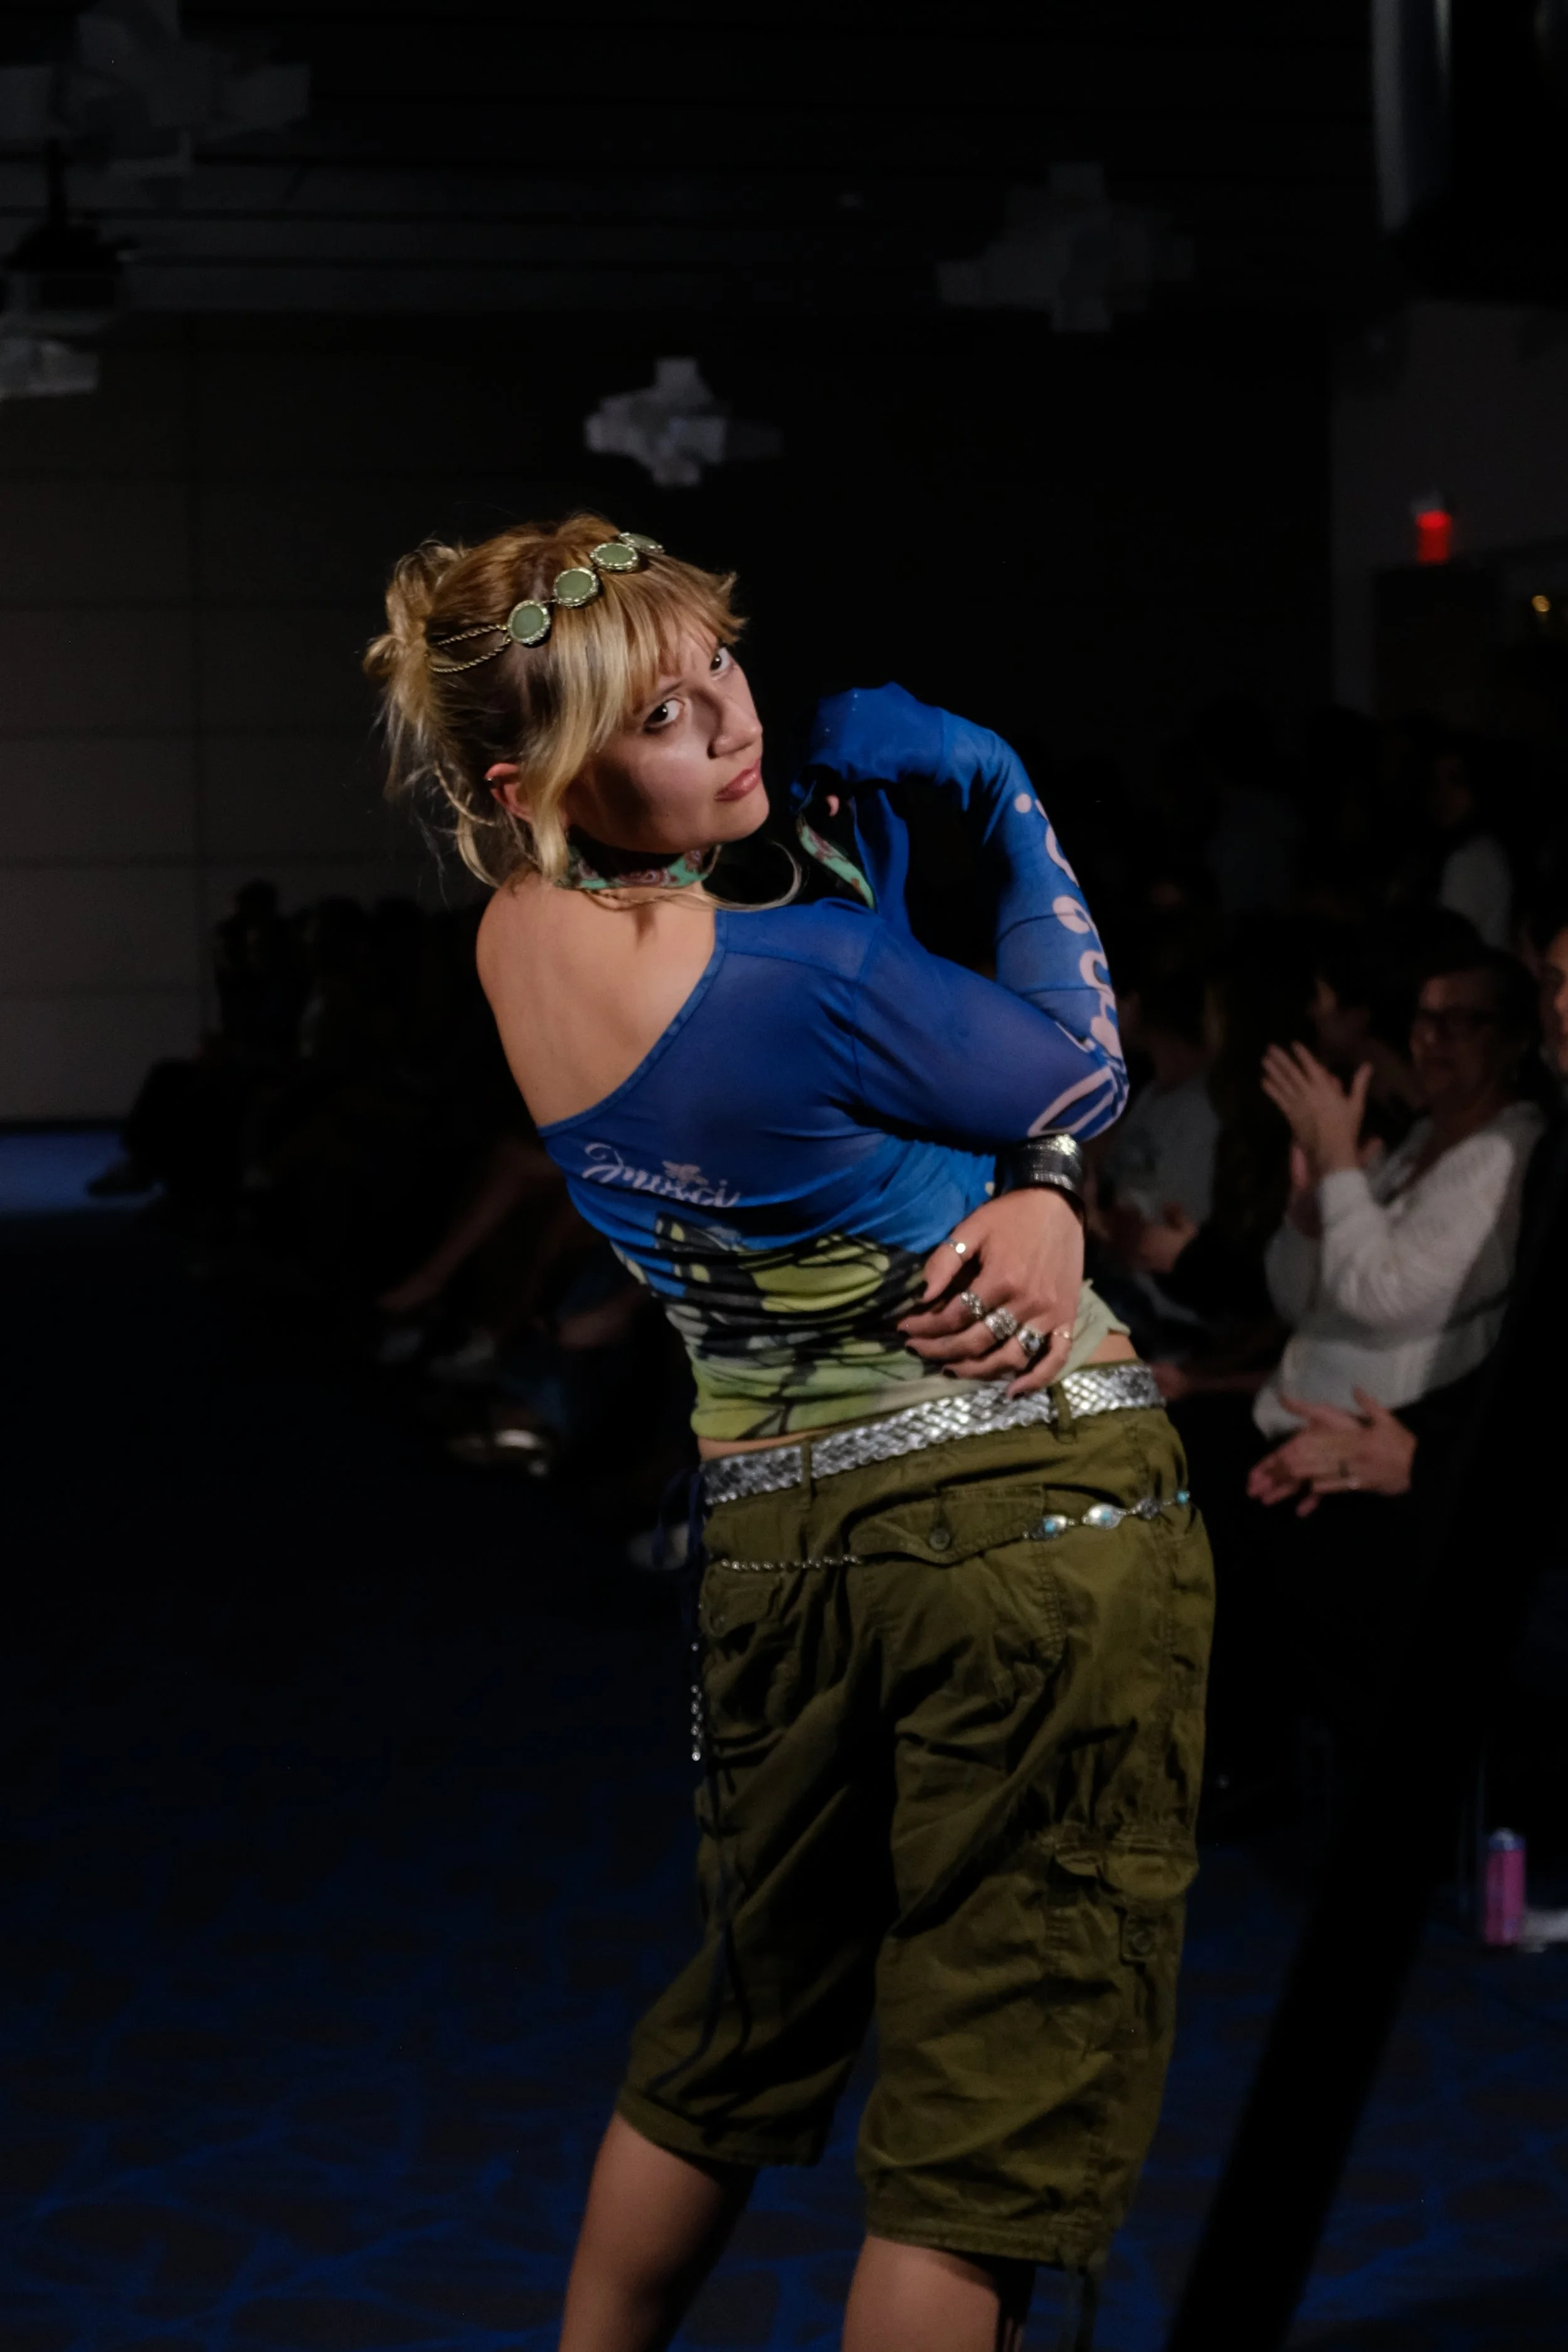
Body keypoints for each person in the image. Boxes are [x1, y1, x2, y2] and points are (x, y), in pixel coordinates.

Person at [366, 515, 1213, 2351]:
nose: (728, 725)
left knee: (735, 2028)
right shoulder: (798, 974)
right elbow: (1072, 1061)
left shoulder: (522, 933)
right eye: (660, 718)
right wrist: (998, 794)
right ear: (538, 780)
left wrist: (1017, 1159)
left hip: (770, 1546)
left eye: (716, 671)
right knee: (982, 2128)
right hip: (1021, 1507)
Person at [1253, 946, 1545, 1445]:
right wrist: (1307, 1211)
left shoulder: (1507, 1154)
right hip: (1290, 1420)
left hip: (1369, 1452)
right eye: (1424, 1019)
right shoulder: (1415, 1142)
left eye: (1458, 1022)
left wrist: (1340, 1162)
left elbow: (1381, 1298)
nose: (1430, 1040)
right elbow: (1296, 1302)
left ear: (1513, 1041)